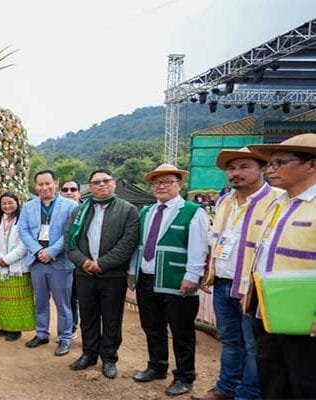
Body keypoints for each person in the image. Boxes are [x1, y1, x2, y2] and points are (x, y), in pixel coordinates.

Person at [194, 148, 277, 400]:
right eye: (231, 169)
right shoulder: (224, 201)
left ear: (262, 168)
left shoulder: (278, 200)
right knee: (229, 340)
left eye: (243, 167)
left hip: (254, 287)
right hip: (222, 282)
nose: (236, 173)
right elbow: (217, 240)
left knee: (253, 346)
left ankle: (248, 394)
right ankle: (226, 388)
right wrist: (210, 272)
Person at [127, 163, 209, 397]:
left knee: (182, 331)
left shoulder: (193, 211)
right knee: (152, 327)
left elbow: (199, 247)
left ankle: (184, 376)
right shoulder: (146, 211)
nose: (161, 186)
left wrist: (192, 276)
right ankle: (157, 366)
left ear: (179, 185)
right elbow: (139, 245)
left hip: (177, 280)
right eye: (156, 182)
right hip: (147, 279)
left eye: (167, 182)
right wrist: (133, 271)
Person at [244, 133, 316, 398]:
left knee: (305, 384)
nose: (270, 169)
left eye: (279, 163)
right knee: (273, 381)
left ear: (312, 164)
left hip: (305, 321)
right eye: (269, 164)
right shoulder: (278, 204)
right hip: (270, 314)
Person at [65, 169, 139, 379]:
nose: (101, 185)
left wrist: (102, 263)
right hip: (84, 273)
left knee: (112, 318)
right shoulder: (79, 211)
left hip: (112, 275)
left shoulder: (128, 210)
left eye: (106, 181)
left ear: (114, 183)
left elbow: (128, 243)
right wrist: (85, 262)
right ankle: (89, 354)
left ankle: (109, 358)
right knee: (88, 316)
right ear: (90, 186)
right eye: (96, 182)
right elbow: (69, 242)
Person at [19, 170, 79, 356]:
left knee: (63, 303)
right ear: (35, 186)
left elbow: (69, 232)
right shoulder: (28, 207)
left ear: (56, 183)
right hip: (37, 262)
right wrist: (38, 251)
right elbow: (23, 230)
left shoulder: (70, 206)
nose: (44, 188)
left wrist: (51, 252)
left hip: (59, 262)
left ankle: (65, 338)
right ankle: (42, 333)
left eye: (48, 183)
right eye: (40, 184)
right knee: (41, 301)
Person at [0, 192, 34, 342]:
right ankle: (4, 326)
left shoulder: (23, 220)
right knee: (2, 300)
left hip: (17, 267)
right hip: (0, 266)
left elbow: (25, 244)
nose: (7, 206)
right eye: (4, 203)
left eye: (11, 202)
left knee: (17, 299)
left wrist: (7, 259)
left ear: (17, 203)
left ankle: (15, 329)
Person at [61, 179, 82, 337]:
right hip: (62, 260)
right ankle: (70, 327)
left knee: (77, 297)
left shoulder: (85, 210)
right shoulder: (58, 210)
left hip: (82, 262)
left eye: (72, 189)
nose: (69, 192)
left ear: (79, 193)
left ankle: (75, 328)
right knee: (68, 297)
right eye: (65, 189)